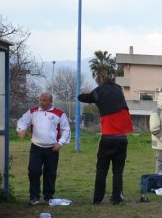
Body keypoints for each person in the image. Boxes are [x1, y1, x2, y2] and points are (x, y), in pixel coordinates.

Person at [78, 76, 134, 204]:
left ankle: (97, 199)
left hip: (107, 138)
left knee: (101, 171)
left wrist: (85, 94)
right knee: (118, 171)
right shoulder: (119, 92)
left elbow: (82, 98)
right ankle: (116, 198)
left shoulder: (99, 91)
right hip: (121, 139)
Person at [16, 92, 70, 204]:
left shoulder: (59, 113)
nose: (42, 102)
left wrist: (60, 143)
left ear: (50, 101)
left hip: (52, 148)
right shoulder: (33, 111)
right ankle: (34, 197)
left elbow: (66, 129)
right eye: (40, 100)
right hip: (36, 147)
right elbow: (23, 120)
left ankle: (48, 197)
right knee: (33, 171)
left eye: (44, 100)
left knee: (50, 173)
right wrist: (21, 129)